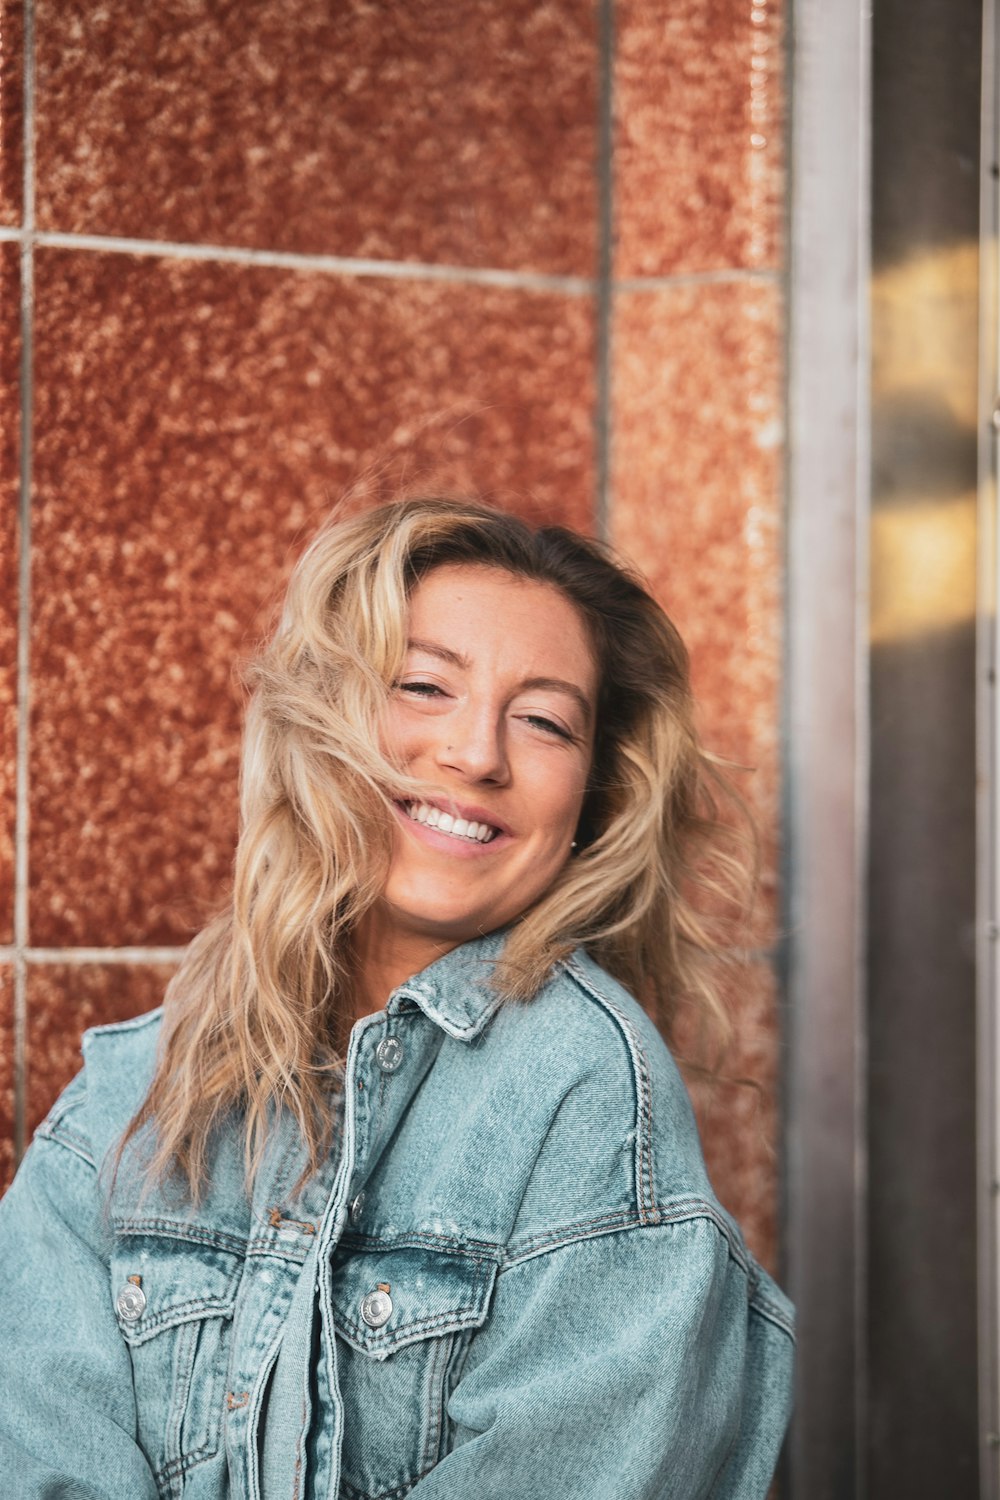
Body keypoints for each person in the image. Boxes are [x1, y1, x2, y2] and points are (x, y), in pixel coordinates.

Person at [0, 498, 794, 1499]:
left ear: (594, 797)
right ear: (322, 718)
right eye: (424, 685)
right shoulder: (128, 1094)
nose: (475, 754)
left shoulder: (590, 1095)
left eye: (545, 720)